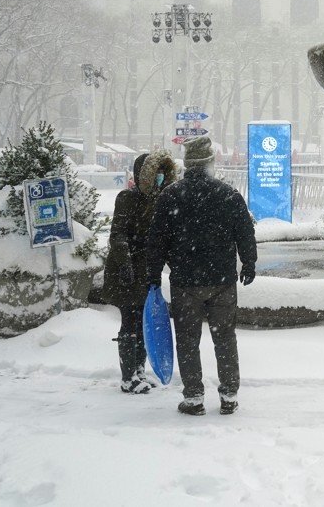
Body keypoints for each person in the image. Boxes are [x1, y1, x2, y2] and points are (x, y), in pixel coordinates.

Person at [146, 136, 258, 416]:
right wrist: (248, 263)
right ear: (210, 164)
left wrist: (153, 274)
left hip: (185, 282)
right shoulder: (228, 194)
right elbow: (245, 232)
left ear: (187, 164)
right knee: (225, 338)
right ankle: (229, 394)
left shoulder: (170, 196)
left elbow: (156, 240)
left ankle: (194, 397)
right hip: (222, 280)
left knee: (187, 340)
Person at [103, 150, 178, 393]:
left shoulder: (162, 199)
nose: (158, 178)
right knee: (130, 321)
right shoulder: (127, 197)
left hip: (147, 270)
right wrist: (124, 263)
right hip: (126, 270)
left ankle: (139, 371)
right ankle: (128, 377)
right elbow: (118, 234)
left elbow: (163, 239)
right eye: (154, 173)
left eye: (161, 174)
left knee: (146, 322)